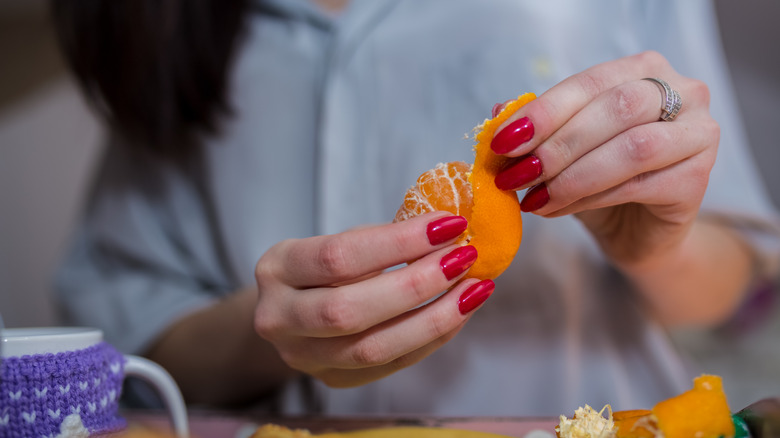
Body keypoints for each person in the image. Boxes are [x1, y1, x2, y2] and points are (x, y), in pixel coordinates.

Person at [51, 0, 780, 416]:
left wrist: (657, 245)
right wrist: (277, 329)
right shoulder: (166, 23)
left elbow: (741, 290)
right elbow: (133, 347)